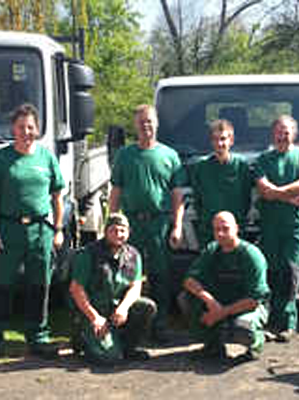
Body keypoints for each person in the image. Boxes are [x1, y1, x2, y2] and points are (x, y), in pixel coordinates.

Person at [0, 103, 65, 362]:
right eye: (21, 127)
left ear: (36, 129)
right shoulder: (2, 158)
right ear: (13, 129)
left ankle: (38, 339)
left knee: (39, 286)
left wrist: (58, 229)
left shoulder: (46, 157)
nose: (26, 132)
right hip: (8, 229)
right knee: (2, 286)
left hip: (40, 231)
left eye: (30, 127)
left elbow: (57, 196)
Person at [108, 104, 186, 344]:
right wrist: (111, 223)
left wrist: (177, 226)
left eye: (149, 121)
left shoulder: (169, 156)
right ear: (135, 125)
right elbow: (116, 191)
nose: (146, 126)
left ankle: (159, 325)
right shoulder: (125, 155)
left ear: (157, 123)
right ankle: (130, 326)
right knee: (128, 275)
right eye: (141, 122)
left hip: (159, 223)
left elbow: (177, 195)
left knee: (160, 277)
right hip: (131, 224)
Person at [252, 115, 299, 343]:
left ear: (295, 134)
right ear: (273, 134)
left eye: (287, 131)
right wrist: (289, 196)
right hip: (270, 227)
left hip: (295, 227)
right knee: (271, 273)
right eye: (279, 131)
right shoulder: (263, 159)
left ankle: (288, 323)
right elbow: (263, 189)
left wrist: (277, 193)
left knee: (291, 271)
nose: (283, 135)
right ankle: (269, 322)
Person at [69, 213, 157, 365]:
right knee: (109, 359)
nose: (118, 234)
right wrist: (94, 317)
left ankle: (127, 348)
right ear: (105, 232)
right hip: (92, 312)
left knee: (146, 306)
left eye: (122, 230)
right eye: (113, 230)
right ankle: (82, 339)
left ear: (128, 232)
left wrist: (123, 308)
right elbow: (76, 289)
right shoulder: (88, 253)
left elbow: (135, 286)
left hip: (116, 310)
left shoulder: (133, 255)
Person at [182, 211, 270, 361]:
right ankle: (212, 345)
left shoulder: (251, 255)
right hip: (220, 303)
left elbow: (254, 300)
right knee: (186, 298)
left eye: (225, 229)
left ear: (236, 228)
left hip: (248, 306)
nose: (220, 234)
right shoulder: (212, 250)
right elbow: (189, 281)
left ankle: (255, 344)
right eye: (217, 229)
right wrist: (210, 301)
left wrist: (221, 313)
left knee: (243, 327)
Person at [188, 119, 253, 246]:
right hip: (208, 231)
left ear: (231, 140)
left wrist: (238, 222)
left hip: (235, 231)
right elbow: (198, 199)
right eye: (215, 139)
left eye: (223, 139)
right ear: (211, 142)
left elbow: (246, 198)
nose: (219, 143)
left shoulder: (241, 167)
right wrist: (205, 221)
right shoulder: (201, 168)